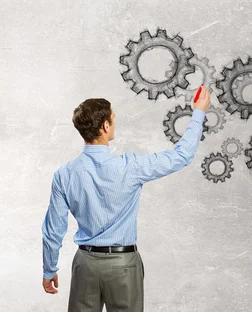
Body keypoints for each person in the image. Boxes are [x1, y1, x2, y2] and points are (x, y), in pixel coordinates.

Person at [41, 85, 211, 311]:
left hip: (85, 265)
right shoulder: (131, 167)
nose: (115, 121)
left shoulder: (64, 174)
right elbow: (181, 155)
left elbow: (53, 229)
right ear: (105, 126)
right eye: (113, 117)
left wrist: (49, 269)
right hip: (123, 265)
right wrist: (199, 112)